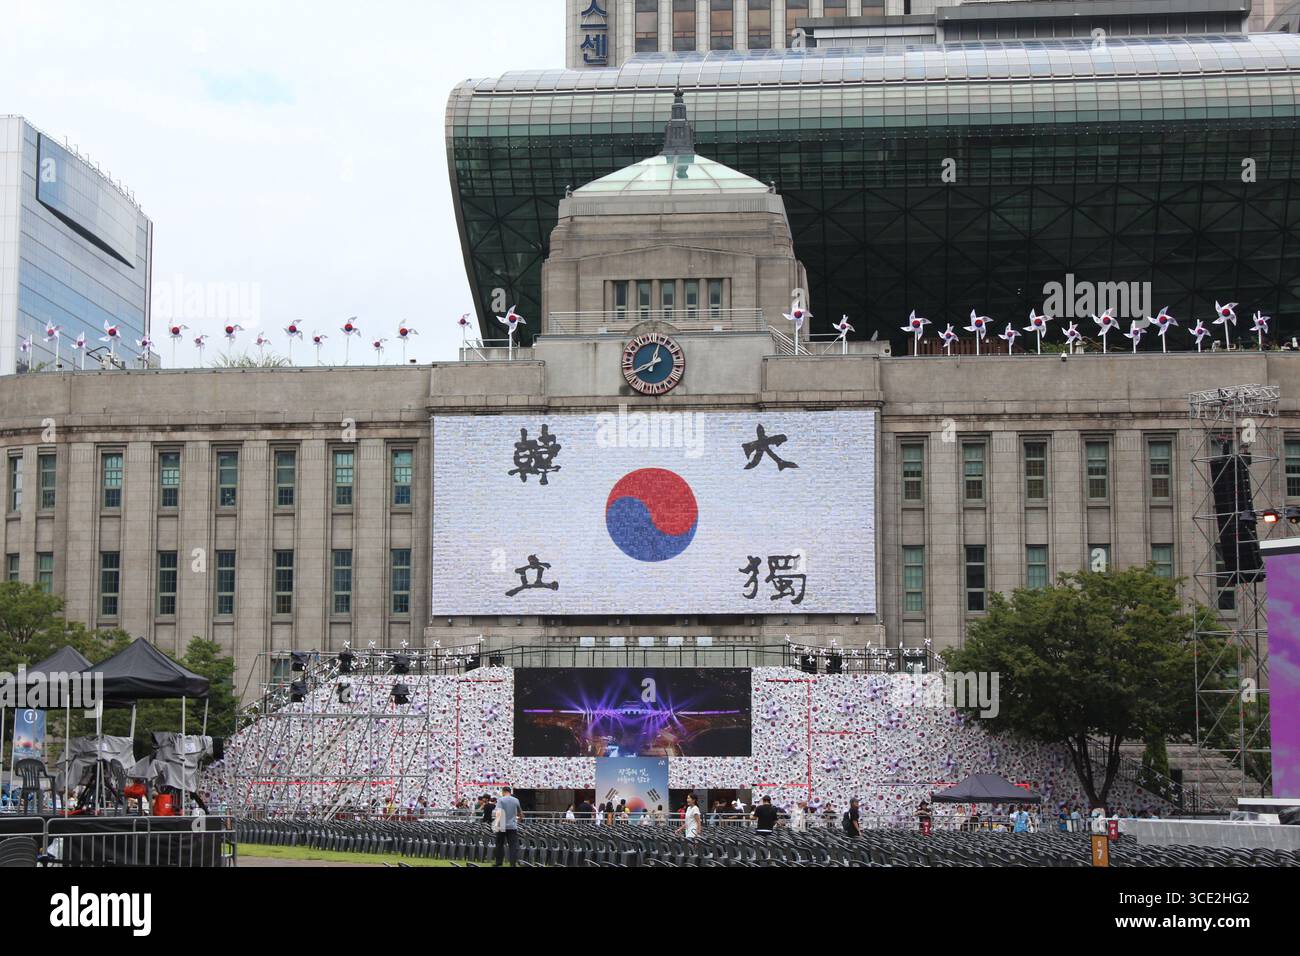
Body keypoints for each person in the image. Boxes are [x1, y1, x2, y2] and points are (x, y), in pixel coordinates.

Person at [492, 786, 522, 867]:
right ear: (510, 791)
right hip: (512, 826)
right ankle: (513, 863)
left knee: (499, 844)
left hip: (502, 825)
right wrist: (519, 819)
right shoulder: (516, 800)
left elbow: (499, 812)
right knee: (513, 845)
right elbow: (520, 812)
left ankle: (499, 862)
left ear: (503, 791)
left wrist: (496, 824)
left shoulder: (501, 800)